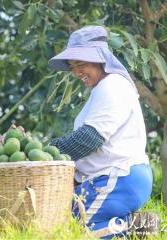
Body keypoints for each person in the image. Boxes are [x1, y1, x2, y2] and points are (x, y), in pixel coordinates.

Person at [48, 26, 159, 238]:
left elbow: (89, 139)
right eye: (73, 67)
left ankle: (130, 230)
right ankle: (134, 227)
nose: (77, 72)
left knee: (78, 228)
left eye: (81, 64)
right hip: (108, 178)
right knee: (60, 217)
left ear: (100, 59)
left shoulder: (113, 86)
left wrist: (49, 152)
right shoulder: (100, 90)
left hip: (118, 177)